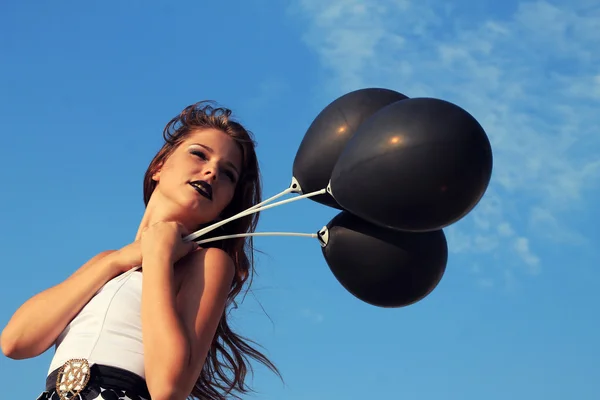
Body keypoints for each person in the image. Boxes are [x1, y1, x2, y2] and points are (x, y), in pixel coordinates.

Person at [1, 101, 280, 400]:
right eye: (199, 154)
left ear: (227, 203)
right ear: (159, 166)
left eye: (228, 174)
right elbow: (15, 342)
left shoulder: (209, 263)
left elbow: (168, 388)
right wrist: (118, 261)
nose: (212, 171)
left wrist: (159, 255)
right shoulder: (108, 262)